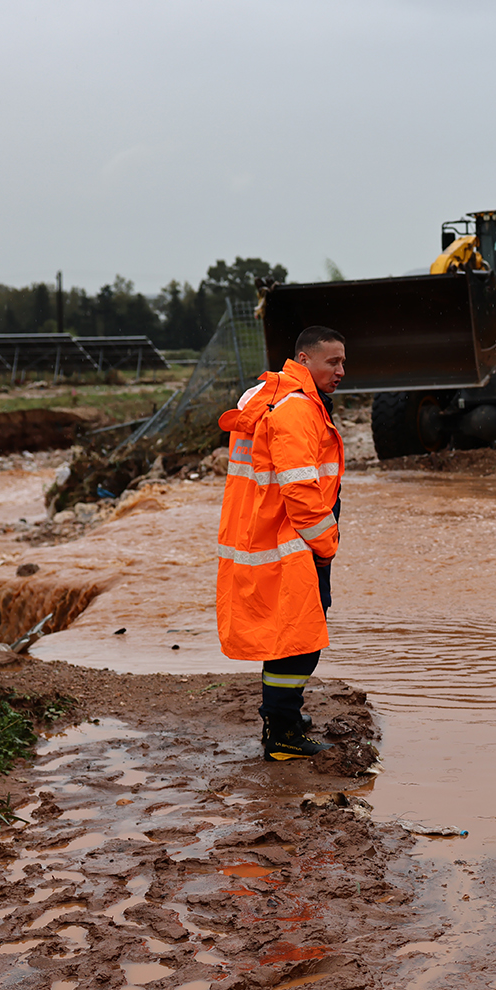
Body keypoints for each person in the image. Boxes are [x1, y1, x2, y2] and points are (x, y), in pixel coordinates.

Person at [215, 325, 347, 760]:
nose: (341, 371)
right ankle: (283, 733)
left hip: (268, 537)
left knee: (286, 634)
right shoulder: (296, 409)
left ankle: (282, 717)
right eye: (333, 362)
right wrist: (325, 544)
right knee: (299, 640)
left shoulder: (271, 397)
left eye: (343, 362)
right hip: (295, 543)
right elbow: (300, 491)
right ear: (304, 359)